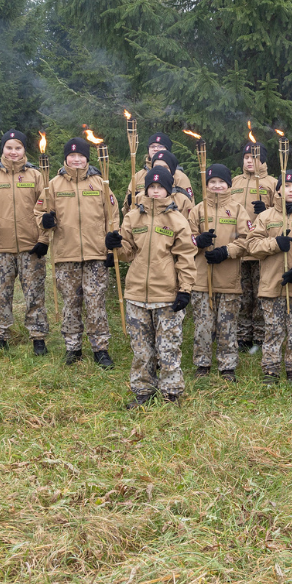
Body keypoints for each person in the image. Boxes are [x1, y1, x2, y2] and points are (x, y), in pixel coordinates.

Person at [109, 166, 197, 408]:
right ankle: (143, 390)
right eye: (152, 187)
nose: (156, 191)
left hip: (166, 294)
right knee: (141, 349)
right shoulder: (132, 217)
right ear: (146, 188)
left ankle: (171, 392)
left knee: (168, 346)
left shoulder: (177, 220)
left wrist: (185, 289)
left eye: (161, 187)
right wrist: (115, 245)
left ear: (168, 190)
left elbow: (186, 257)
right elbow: (127, 253)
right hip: (136, 293)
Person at [34, 137, 118, 367]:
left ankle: (100, 349)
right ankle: (73, 348)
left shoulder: (100, 184)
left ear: (87, 159)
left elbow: (114, 216)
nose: (77, 160)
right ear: (65, 158)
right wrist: (45, 220)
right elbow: (38, 212)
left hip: (96, 254)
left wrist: (112, 245)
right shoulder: (53, 185)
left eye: (81, 156)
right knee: (70, 302)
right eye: (72, 156)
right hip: (66, 254)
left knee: (95, 302)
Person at [0, 129, 50, 356]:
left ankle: (38, 336)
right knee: (0, 293)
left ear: (24, 150)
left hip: (31, 247)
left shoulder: (36, 176)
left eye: (18, 148)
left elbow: (47, 208)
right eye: (9, 148)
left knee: (35, 293)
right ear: (3, 149)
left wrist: (44, 238)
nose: (13, 152)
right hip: (1, 246)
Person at [247, 170, 292, 384]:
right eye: (286, 185)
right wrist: (275, 244)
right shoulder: (266, 217)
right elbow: (251, 246)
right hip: (272, 284)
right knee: (273, 328)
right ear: (278, 189)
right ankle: (270, 368)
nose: (290, 190)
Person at [188, 163, 251, 381]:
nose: (216, 186)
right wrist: (198, 241)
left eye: (221, 182)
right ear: (207, 185)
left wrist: (227, 251)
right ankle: (202, 363)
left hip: (229, 278)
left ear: (228, 185)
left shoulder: (237, 210)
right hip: (201, 278)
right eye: (212, 182)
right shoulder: (197, 209)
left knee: (228, 323)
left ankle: (227, 365)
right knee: (203, 323)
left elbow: (247, 240)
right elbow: (185, 240)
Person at [231, 141, 277, 352]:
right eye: (247, 157)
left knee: (260, 292)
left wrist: (265, 208)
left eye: (255, 157)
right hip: (239, 246)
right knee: (242, 292)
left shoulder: (272, 183)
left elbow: (279, 212)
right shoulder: (234, 182)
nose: (250, 161)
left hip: (260, 247)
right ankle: (242, 334)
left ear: (263, 159)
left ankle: (260, 334)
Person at [124, 133, 194, 214]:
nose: (156, 149)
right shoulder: (138, 176)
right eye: (152, 146)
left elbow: (189, 206)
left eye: (160, 146)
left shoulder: (179, 176)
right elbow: (127, 208)